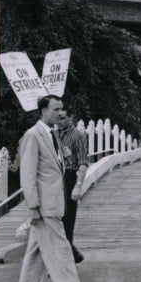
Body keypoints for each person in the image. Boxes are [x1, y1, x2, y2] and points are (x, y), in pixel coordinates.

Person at [13, 96, 94, 282]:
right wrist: (33, 207)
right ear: (43, 111)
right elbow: (28, 173)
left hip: (54, 201)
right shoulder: (33, 135)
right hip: (44, 204)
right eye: (55, 109)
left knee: (36, 251)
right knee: (61, 249)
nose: (60, 113)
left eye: (61, 109)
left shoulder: (52, 134)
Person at [55, 112, 88, 264]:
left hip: (69, 177)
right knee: (56, 219)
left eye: (63, 118)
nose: (59, 121)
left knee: (68, 220)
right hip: (55, 178)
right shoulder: (54, 134)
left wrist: (78, 186)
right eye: (58, 118)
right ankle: (72, 254)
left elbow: (82, 162)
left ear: (71, 118)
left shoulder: (77, 136)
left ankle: (66, 260)